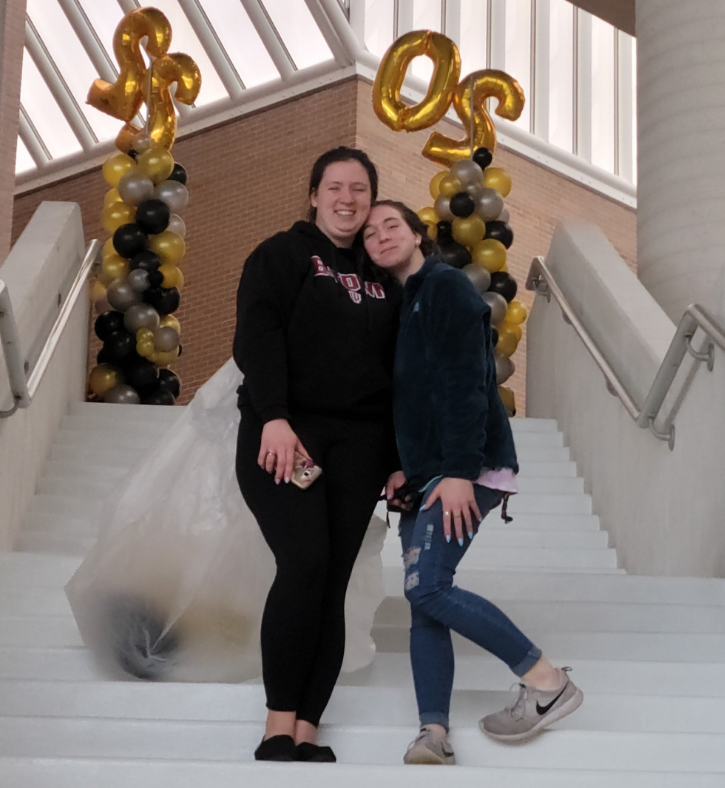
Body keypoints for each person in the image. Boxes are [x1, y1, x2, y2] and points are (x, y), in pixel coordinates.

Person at [362, 200, 583, 766]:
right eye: (369, 232)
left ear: (417, 236)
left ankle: (547, 680)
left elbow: (466, 384)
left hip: (464, 468)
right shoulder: (408, 301)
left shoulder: (444, 287)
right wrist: (402, 467)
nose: (381, 236)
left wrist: (460, 472)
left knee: (428, 587)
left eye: (392, 225)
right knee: (424, 602)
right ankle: (432, 731)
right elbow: (412, 401)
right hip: (428, 472)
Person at [232, 148, 402, 763]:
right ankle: (278, 723)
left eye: (360, 189)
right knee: (304, 561)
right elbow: (258, 333)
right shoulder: (281, 254)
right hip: (287, 437)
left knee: (332, 582)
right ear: (313, 194)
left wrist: (397, 455)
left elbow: (398, 370)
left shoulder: (385, 275)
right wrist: (273, 416)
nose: (348, 198)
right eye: (335, 186)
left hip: (359, 446)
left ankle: (308, 728)